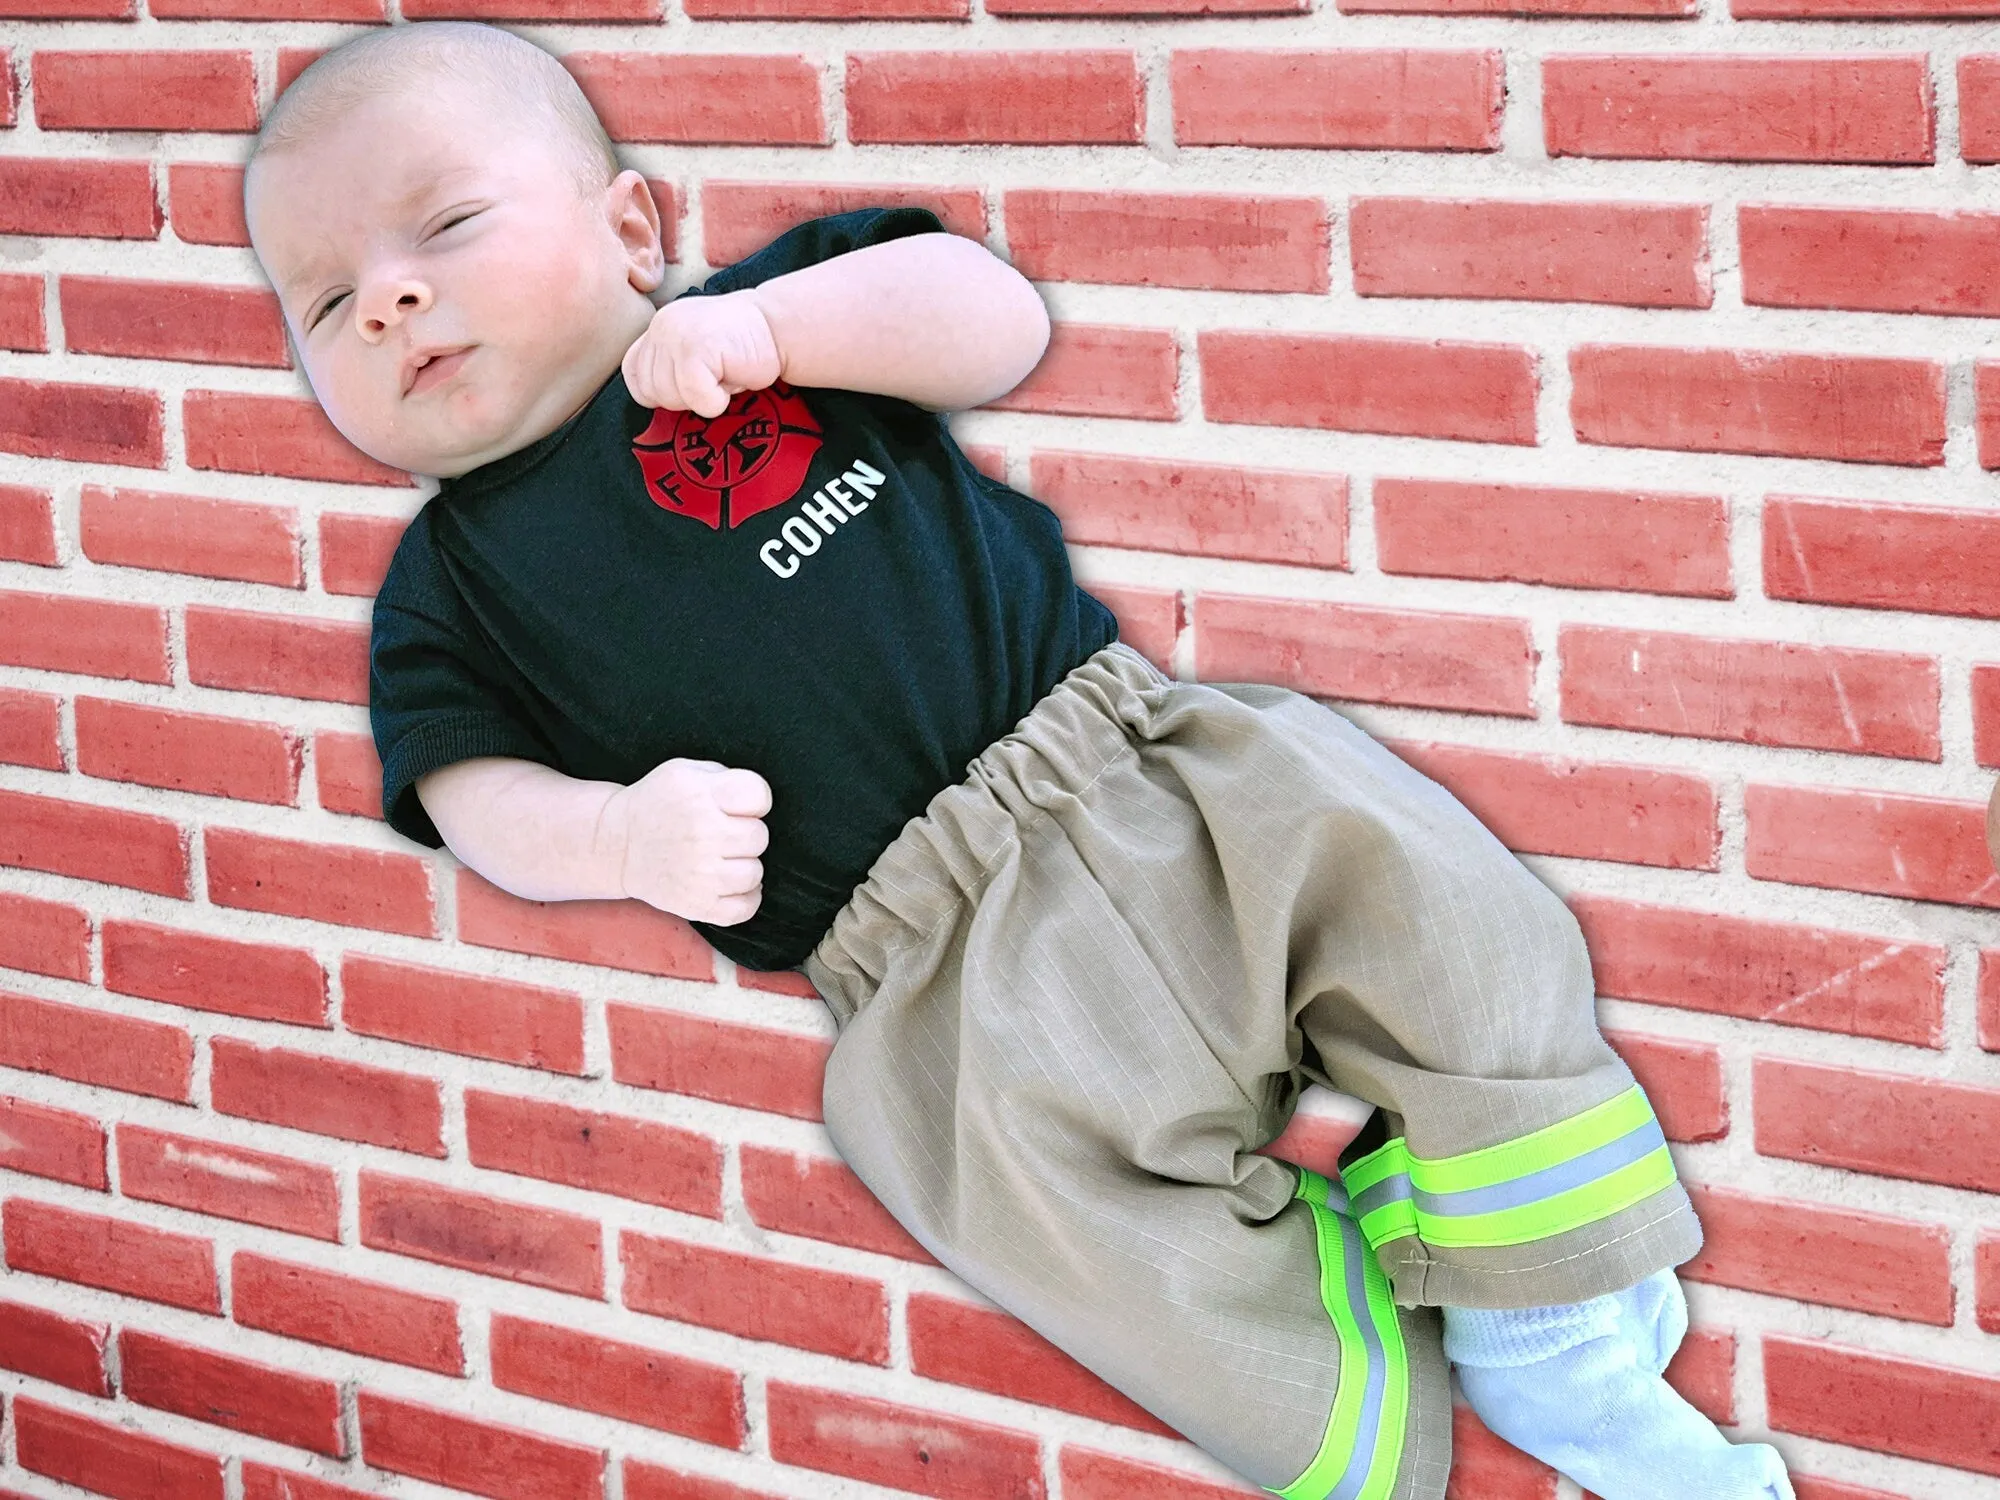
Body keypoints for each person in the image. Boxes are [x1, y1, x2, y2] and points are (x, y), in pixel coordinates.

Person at [242, 20, 1796, 1500]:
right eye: (322, 301)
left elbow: (993, 317)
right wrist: (618, 842)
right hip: (939, 985)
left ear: (632, 227)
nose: (383, 301)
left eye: (442, 224)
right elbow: (470, 799)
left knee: (1447, 917)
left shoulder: (778, 310)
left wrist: (779, 328)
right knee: (1078, 1231)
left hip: (1146, 769)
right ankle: (1375, 1341)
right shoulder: (449, 593)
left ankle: (1541, 1312)